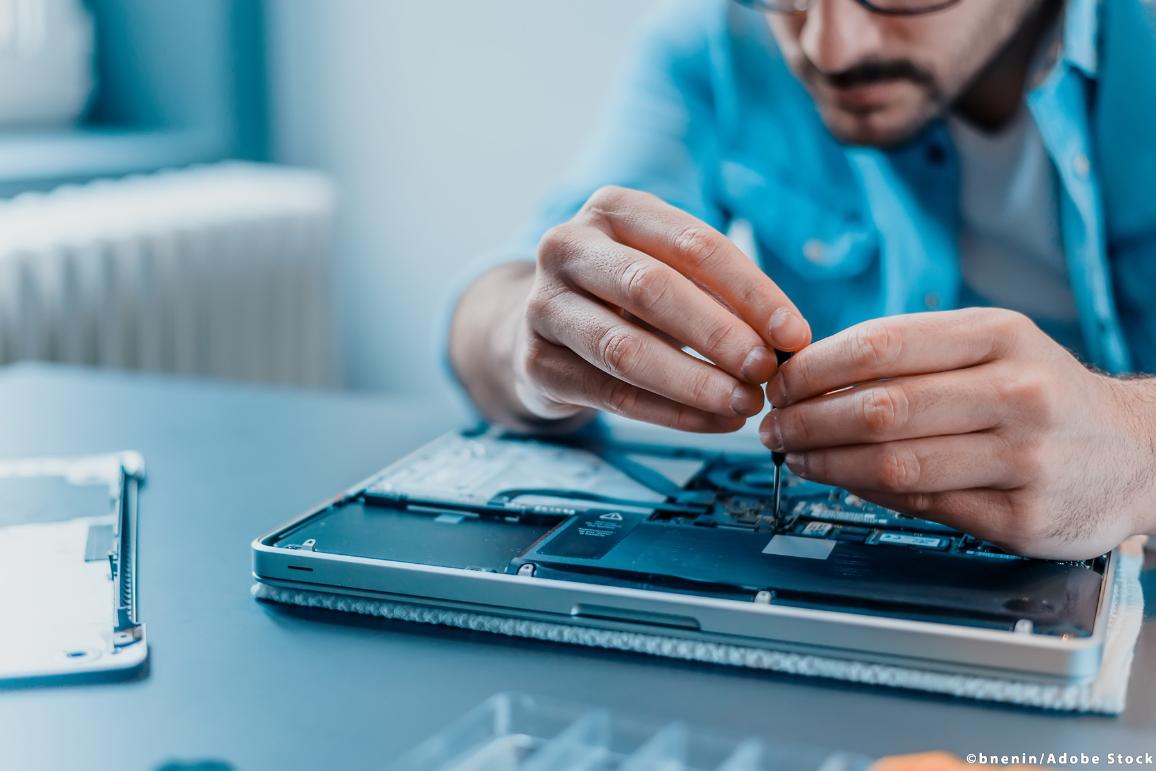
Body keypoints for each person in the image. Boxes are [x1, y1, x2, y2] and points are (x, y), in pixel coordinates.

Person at [448, 0, 1156, 560]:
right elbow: (500, 298)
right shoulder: (715, 41)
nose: (827, 48)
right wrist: (531, 341)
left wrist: (1135, 452)